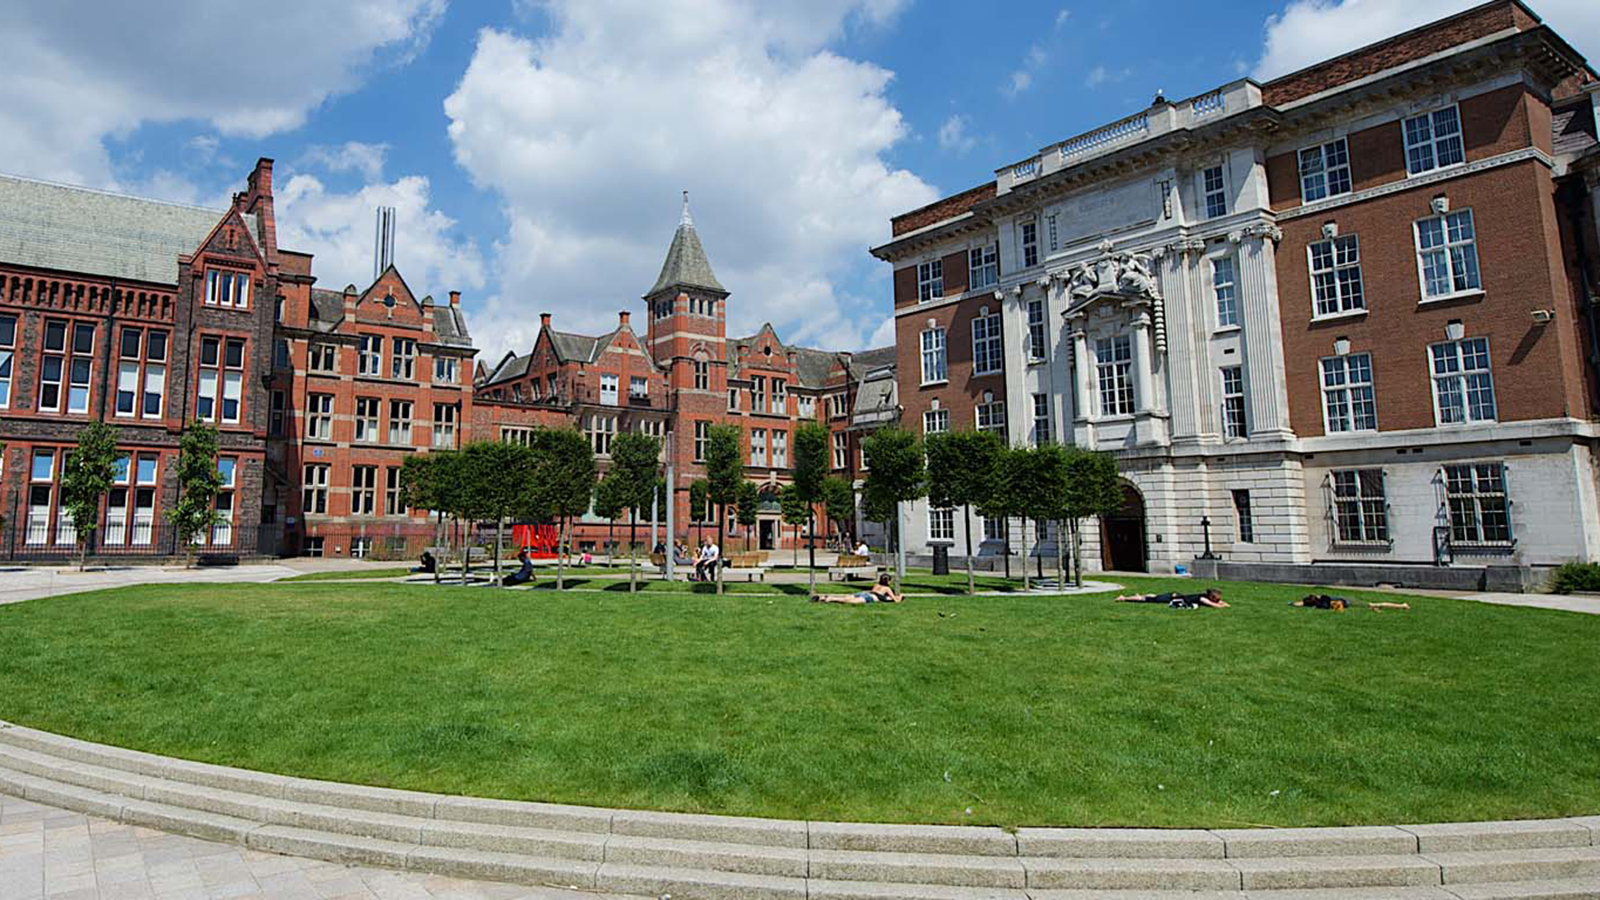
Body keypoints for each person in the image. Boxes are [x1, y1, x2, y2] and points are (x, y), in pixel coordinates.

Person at [812, 573, 903, 605]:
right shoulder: (887, 588)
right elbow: (895, 600)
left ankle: (824, 598)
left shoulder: (876, 585)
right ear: (888, 581)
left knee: (847, 598)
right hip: (869, 598)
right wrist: (900, 596)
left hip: (864, 593)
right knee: (847, 601)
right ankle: (830, 599)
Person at [1115, 588, 1229, 608]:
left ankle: (1139, 596)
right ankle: (1124, 598)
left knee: (1152, 597)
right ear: (1210, 596)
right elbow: (1215, 606)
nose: (1218, 600)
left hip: (1175, 596)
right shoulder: (1202, 599)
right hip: (1172, 598)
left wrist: (1222, 603)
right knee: (1149, 599)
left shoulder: (1206, 597)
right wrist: (1222, 605)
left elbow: (1220, 603)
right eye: (1216, 598)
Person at [1294, 594, 1410, 611]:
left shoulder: (1320, 604)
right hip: (1347, 600)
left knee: (1373, 604)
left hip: (1348, 602)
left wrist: (1292, 604)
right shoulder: (1323, 599)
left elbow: (1300, 604)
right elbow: (1300, 603)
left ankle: (1402, 605)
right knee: (1372, 604)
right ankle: (1402, 605)